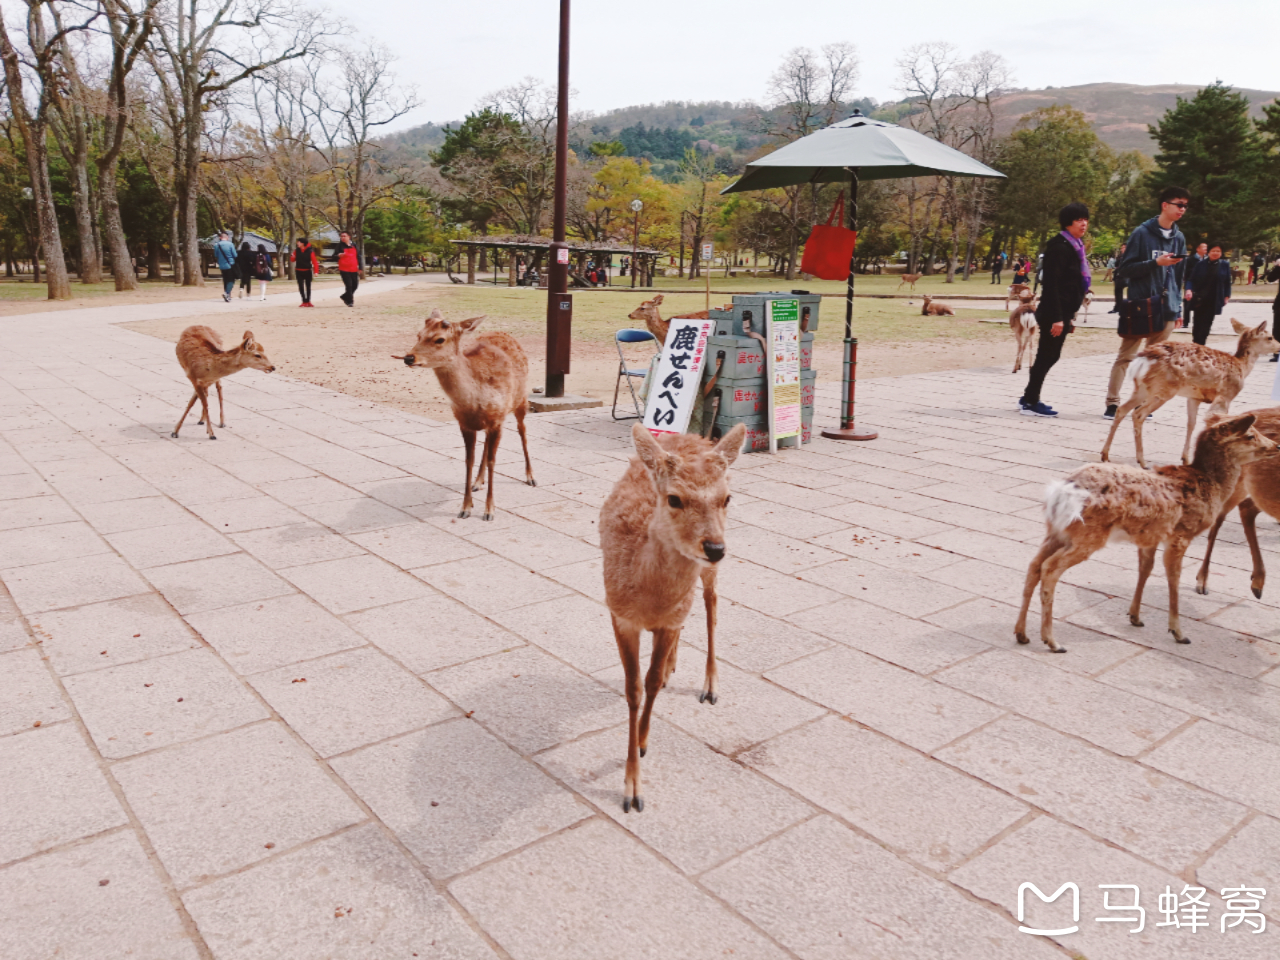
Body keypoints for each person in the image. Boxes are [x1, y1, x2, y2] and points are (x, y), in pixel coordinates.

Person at [1104, 186, 1189, 419]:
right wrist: (1155, 264)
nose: (1182, 209)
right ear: (1165, 205)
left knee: (1156, 361)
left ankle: (1143, 403)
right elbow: (1126, 269)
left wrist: (1178, 306)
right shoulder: (1141, 233)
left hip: (1168, 306)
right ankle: (1112, 403)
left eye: (1185, 206)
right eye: (1178, 204)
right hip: (1141, 304)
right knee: (1127, 356)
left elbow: (1179, 276)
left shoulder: (1179, 237)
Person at [1019, 202, 1092, 417]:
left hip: (1063, 312)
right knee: (1047, 355)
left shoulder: (1075, 246)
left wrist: (1069, 316)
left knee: (1050, 355)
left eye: (1086, 219)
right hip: (1053, 311)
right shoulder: (1059, 248)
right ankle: (1031, 401)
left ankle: (1028, 396)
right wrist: (1059, 318)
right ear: (1068, 222)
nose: (1084, 223)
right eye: (1079, 219)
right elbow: (1052, 285)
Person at [1185, 242, 1233, 345]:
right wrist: (1188, 290)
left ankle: (1201, 344)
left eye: (1218, 251)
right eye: (1213, 251)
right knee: (1197, 323)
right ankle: (1196, 343)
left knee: (1206, 324)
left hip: (1214, 299)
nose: (1215, 253)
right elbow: (1190, 279)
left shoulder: (1224, 265)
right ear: (1209, 252)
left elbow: (1227, 282)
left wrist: (1227, 296)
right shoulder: (1200, 264)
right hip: (1200, 299)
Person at [291, 236, 319, 307]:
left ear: (303, 243)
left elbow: (314, 261)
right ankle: (303, 301)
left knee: (308, 286)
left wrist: (316, 271)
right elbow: (292, 260)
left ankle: (308, 301)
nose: (297, 243)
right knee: (300, 286)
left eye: (299, 242)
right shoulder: (296, 250)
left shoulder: (310, 251)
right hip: (298, 270)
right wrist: (292, 256)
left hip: (307, 270)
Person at [212, 231, 237, 302]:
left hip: (222, 265)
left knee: (225, 280)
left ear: (220, 237)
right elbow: (235, 255)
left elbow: (216, 255)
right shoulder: (230, 244)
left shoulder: (217, 245)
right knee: (231, 280)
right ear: (227, 237)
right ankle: (227, 293)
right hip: (230, 264)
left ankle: (227, 295)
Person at [336, 231, 359, 307]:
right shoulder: (339, 246)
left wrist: (361, 267)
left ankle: (345, 296)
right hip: (344, 268)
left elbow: (358, 256)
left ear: (349, 237)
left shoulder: (354, 245)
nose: (342, 238)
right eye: (341, 236)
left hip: (353, 268)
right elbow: (334, 255)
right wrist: (339, 255)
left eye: (344, 236)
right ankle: (350, 301)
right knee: (349, 285)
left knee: (355, 285)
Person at [1106, 243, 1128, 313]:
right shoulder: (1120, 256)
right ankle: (1118, 307)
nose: (1122, 249)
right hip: (1118, 276)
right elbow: (1116, 264)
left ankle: (1128, 307)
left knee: (1129, 292)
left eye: (1124, 247)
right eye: (1122, 248)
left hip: (1126, 276)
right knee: (1118, 292)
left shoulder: (1129, 256)